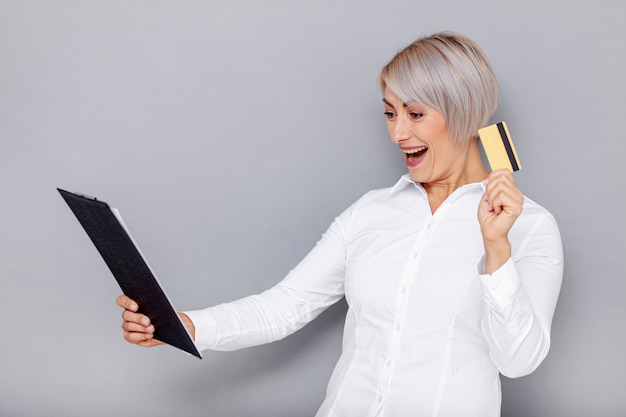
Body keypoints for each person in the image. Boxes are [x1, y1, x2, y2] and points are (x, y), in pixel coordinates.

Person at [117, 31, 563, 417]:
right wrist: (188, 326)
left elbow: (518, 360)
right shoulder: (370, 213)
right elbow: (285, 305)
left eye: (415, 113)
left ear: (464, 113)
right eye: (390, 113)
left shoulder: (530, 227)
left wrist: (497, 250)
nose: (397, 134)